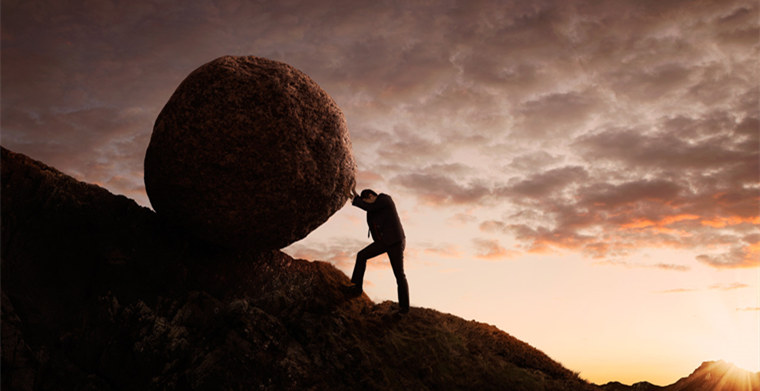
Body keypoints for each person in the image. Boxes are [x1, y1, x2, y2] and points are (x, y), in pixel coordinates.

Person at [346, 187, 410, 314]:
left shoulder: (384, 199)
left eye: (366, 201)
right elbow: (368, 207)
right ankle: (357, 288)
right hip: (384, 242)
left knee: (399, 275)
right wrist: (355, 195)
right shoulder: (374, 206)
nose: (366, 204)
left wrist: (355, 198)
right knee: (362, 255)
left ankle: (404, 308)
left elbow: (368, 207)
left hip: (395, 242)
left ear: (371, 196)